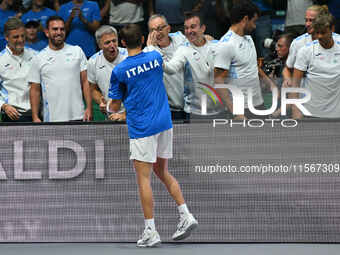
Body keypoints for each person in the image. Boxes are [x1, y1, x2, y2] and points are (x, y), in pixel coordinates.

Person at [107, 23, 198, 247]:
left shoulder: (119, 71)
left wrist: (108, 106)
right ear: (143, 38)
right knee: (162, 171)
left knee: (144, 179)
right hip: (164, 122)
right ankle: (186, 215)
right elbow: (151, 51)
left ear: (122, 43)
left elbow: (114, 105)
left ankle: (150, 231)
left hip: (142, 128)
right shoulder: (156, 58)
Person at [28, 15, 92, 122]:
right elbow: (35, 90)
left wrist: (89, 108)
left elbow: (85, 82)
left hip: (79, 116)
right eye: (55, 29)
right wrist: (35, 117)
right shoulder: (38, 58)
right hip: (51, 118)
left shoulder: (77, 51)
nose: (59, 32)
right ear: (46, 32)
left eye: (62, 29)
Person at [162, 12, 220, 117]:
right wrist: (157, 58)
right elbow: (171, 69)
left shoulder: (216, 46)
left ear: (203, 28)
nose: (189, 31)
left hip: (218, 110)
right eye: (186, 28)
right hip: (194, 112)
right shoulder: (183, 50)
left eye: (193, 27)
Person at [214, 0, 265, 119]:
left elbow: (252, 66)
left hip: (258, 104)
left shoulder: (249, 38)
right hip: (242, 109)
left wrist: (269, 82)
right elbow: (218, 80)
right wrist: (236, 112)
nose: (255, 26)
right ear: (245, 19)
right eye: (254, 21)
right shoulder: (226, 44)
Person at [291, 13, 340, 119]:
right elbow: (295, 84)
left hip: (337, 114)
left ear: (332, 29)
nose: (319, 36)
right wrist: (295, 108)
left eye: (323, 33)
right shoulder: (305, 51)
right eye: (317, 33)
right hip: (311, 113)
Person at [145, 14, 188, 120]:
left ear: (168, 28)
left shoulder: (180, 39)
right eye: (152, 30)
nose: (157, 34)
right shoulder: (148, 53)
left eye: (160, 29)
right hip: (169, 111)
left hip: (190, 106)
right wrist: (150, 48)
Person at [282, 4, 331, 88]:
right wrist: (288, 80)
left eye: (311, 20)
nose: (307, 24)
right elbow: (287, 69)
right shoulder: (298, 43)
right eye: (306, 20)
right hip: (304, 91)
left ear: (322, 21)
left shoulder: (336, 41)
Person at [87, 25, 127, 121]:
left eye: (114, 41)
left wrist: (125, 115)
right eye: (107, 42)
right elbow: (93, 89)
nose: (112, 45)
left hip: (132, 115)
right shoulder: (93, 61)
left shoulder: (129, 56)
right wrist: (101, 101)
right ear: (99, 45)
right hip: (111, 116)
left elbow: (140, 91)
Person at [0, 18, 36, 122]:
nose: (20, 40)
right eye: (16, 37)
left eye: (23, 36)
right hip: (11, 116)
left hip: (35, 115)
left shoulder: (36, 55)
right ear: (6, 37)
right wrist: (3, 105)